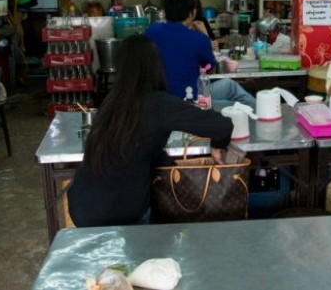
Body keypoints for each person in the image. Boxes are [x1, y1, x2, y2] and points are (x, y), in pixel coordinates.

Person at [67, 35, 233, 227]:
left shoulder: (111, 102)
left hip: (82, 205)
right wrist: (217, 147)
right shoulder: (158, 103)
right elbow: (222, 125)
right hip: (122, 213)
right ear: (156, 66)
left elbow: (139, 147)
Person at [146, 0, 256, 107]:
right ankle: (260, 113)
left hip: (159, 98)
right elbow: (210, 67)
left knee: (229, 85)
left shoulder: (151, 31)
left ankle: (259, 111)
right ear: (193, 13)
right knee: (237, 107)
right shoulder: (198, 39)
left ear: (165, 12)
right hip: (189, 101)